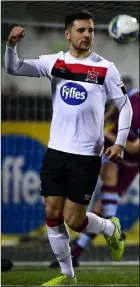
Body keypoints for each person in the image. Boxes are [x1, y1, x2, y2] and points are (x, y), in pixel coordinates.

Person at [5, 10, 133, 286]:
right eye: (81, 30)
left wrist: (120, 143)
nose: (87, 35)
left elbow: (125, 106)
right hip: (56, 152)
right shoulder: (54, 63)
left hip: (86, 156)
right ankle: (67, 275)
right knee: (52, 214)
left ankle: (110, 227)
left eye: (91, 31)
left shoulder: (105, 68)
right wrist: (11, 46)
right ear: (68, 34)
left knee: (74, 221)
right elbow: (13, 68)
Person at [66, 89, 140, 267]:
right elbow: (115, 107)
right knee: (109, 173)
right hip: (111, 148)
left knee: (100, 206)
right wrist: (102, 122)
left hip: (132, 161)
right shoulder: (133, 95)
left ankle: (76, 253)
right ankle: (114, 225)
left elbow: (135, 149)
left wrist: (106, 133)